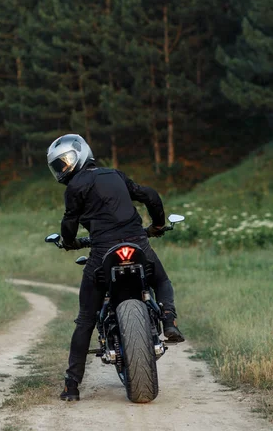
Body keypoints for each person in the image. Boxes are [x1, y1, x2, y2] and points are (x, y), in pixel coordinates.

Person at [47, 133, 185, 402]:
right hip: (138, 244)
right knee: (161, 280)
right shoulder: (115, 175)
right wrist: (157, 225)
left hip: (102, 253)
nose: (63, 169)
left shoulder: (74, 188)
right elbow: (151, 195)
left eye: (65, 162)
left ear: (80, 154)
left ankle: (71, 385)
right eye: (58, 165)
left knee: (86, 318)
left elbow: (69, 224)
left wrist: (69, 242)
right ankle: (169, 320)